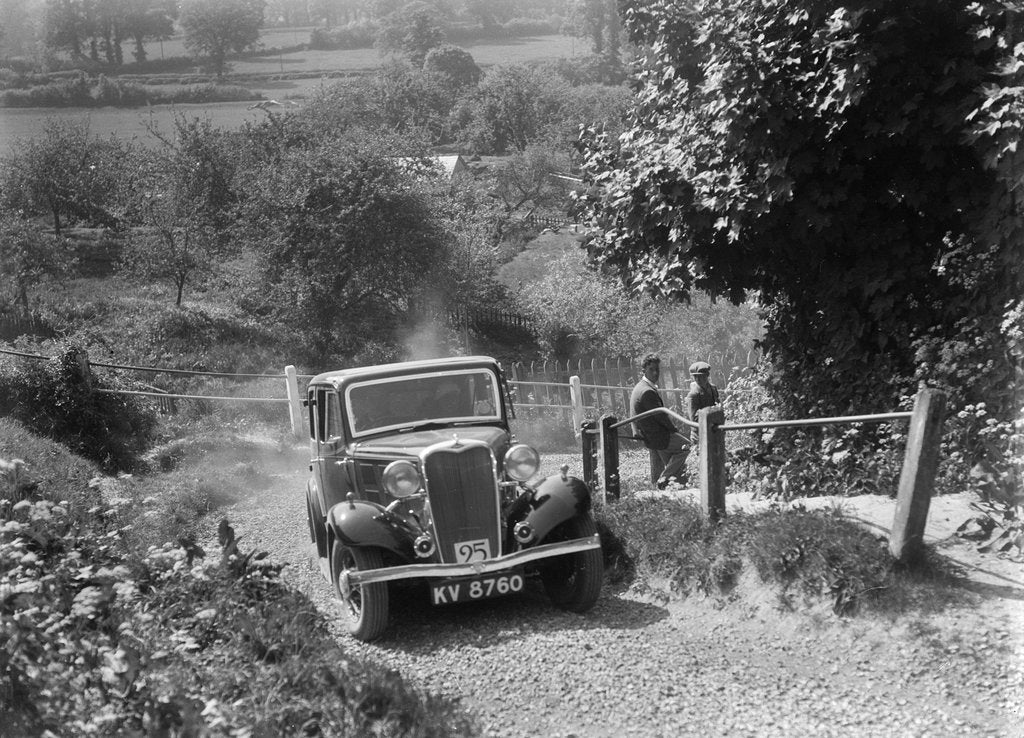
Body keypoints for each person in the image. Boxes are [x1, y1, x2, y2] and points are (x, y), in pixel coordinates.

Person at [630, 353, 690, 489]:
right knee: (686, 447)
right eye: (651, 369)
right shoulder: (646, 391)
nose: (655, 373)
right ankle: (663, 480)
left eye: (657, 369)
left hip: (652, 435)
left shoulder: (641, 386)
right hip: (658, 436)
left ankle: (676, 486)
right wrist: (674, 430)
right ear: (643, 370)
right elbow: (660, 415)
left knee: (676, 467)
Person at [685, 361, 721, 442]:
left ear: (707, 375)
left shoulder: (713, 389)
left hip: (713, 431)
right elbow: (694, 419)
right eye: (695, 377)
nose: (698, 379)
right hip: (699, 434)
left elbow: (718, 405)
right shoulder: (693, 395)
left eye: (701, 377)